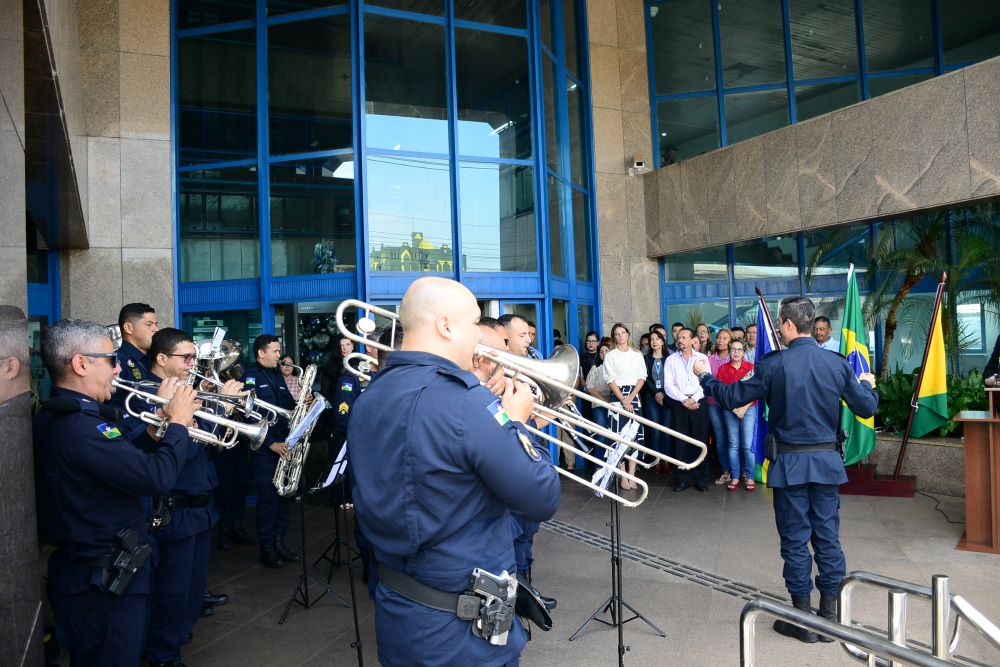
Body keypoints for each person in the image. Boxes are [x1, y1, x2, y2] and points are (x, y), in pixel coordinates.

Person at [347, 277, 560, 667]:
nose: (479, 335)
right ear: (445, 326)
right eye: (474, 322)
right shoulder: (464, 401)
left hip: (400, 612)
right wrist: (515, 423)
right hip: (462, 633)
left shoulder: (372, 395)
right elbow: (541, 496)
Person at [694, 296, 878, 644]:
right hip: (826, 466)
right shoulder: (837, 365)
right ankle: (829, 617)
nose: (778, 328)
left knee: (795, 541)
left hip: (789, 465)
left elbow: (733, 397)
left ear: (790, 325)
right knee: (827, 538)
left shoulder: (773, 365)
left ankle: (803, 619)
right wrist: (867, 383)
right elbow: (866, 406)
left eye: (780, 323)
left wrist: (705, 377)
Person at [34, 319, 199, 666]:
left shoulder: (80, 420)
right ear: (81, 364)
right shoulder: (79, 427)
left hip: (105, 573)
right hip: (100, 581)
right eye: (111, 360)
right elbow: (156, 477)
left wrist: (156, 429)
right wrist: (179, 424)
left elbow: (123, 460)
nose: (119, 367)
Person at [143, 328, 242, 667]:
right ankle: (162, 656)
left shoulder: (188, 391)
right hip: (175, 511)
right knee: (172, 593)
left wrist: (223, 410)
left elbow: (205, 444)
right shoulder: (148, 394)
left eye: (193, 357)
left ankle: (172, 646)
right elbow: (176, 452)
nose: (193, 363)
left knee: (190, 592)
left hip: (201, 508)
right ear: (161, 359)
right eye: (186, 358)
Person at [242, 334, 299, 568]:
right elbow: (247, 417)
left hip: (285, 444)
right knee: (268, 499)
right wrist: (270, 444)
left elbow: (287, 405)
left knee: (284, 495)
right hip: (266, 449)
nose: (279, 355)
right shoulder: (251, 377)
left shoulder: (276, 374)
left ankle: (279, 540)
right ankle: (266, 546)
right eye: (275, 351)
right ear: (261, 353)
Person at [662, 327, 710, 492]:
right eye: (678, 337)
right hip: (679, 402)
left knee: (700, 440)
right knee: (680, 442)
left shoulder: (702, 358)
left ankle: (701, 479)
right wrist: (684, 400)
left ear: (692, 340)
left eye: (683, 337)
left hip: (699, 402)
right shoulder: (671, 360)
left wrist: (694, 399)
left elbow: (707, 381)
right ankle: (682, 479)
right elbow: (668, 385)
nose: (680, 340)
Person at [602, 323, 646, 490]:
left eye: (623, 333)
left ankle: (632, 475)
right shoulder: (610, 356)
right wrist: (622, 399)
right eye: (617, 334)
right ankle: (622, 477)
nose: (620, 336)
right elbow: (610, 379)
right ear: (614, 337)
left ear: (628, 334)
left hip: (634, 395)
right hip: (617, 396)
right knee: (618, 438)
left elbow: (642, 377)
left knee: (634, 438)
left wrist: (630, 398)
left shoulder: (637, 355)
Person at [715, 339, 757, 492]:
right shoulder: (722, 369)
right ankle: (735, 476)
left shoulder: (751, 368)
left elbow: (756, 391)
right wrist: (733, 408)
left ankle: (750, 476)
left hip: (749, 408)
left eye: (739, 349)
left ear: (744, 352)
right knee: (733, 444)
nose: (736, 352)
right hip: (729, 409)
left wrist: (743, 409)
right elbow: (720, 392)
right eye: (733, 349)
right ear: (729, 351)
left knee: (747, 445)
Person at [111, 303, 160, 431]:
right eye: (149, 324)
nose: (156, 329)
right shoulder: (118, 361)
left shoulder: (155, 358)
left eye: (156, 324)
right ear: (129, 328)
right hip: (133, 434)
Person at [642, 330, 672, 474]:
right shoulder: (646, 358)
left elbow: (673, 378)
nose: (654, 341)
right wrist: (656, 393)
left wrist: (664, 394)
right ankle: (656, 461)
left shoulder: (670, 357)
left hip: (668, 397)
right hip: (651, 397)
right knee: (655, 431)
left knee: (665, 431)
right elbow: (644, 378)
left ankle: (665, 460)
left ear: (662, 341)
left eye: (657, 339)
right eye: (652, 339)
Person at [706, 329, 732, 486]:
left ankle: (738, 471)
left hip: (730, 404)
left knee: (734, 438)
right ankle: (725, 471)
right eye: (719, 338)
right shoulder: (709, 359)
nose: (721, 340)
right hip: (713, 403)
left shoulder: (734, 357)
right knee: (721, 437)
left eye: (725, 338)